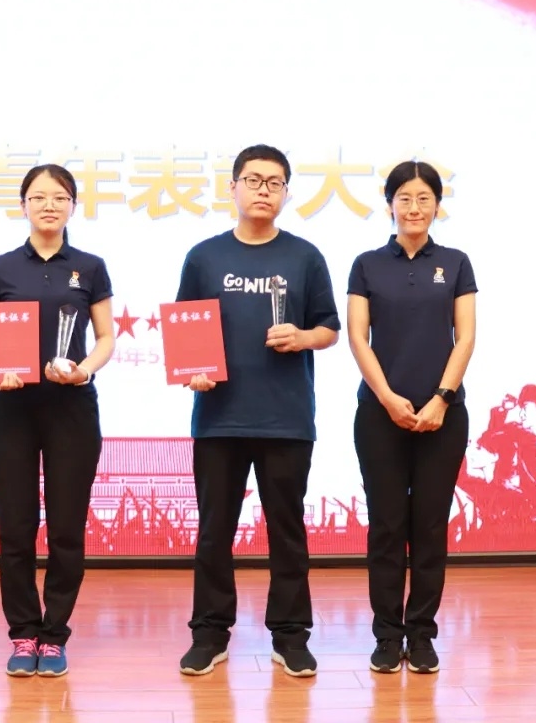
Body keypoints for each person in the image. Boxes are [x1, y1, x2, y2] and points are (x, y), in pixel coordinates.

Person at [174, 144, 341, 678]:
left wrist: (303, 336)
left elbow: (329, 328)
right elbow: (185, 330)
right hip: (219, 418)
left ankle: (290, 636)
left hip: (286, 419)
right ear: (233, 188)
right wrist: (192, 370)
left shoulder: (304, 256)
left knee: (286, 531)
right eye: (253, 180)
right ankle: (209, 633)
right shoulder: (204, 257)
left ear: (287, 192)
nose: (263, 190)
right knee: (214, 531)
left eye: (274, 182)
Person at [0, 164, 115, 678]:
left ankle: (54, 635)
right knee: (16, 528)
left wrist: (83, 370)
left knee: (66, 528)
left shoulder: (90, 266)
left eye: (59, 197)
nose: (49, 205)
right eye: (38, 197)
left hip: (71, 408)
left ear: (73, 206)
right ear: (23, 206)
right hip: (11, 410)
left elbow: (105, 337)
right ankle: (23, 632)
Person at [345, 160, 477, 675]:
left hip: (443, 417)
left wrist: (442, 399)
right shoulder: (367, 264)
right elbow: (358, 337)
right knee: (386, 526)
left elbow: (465, 337)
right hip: (380, 416)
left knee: (429, 526)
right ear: (389, 206)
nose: (414, 207)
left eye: (424, 198)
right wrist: (387, 398)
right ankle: (386, 634)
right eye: (404, 198)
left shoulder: (456, 263)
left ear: (437, 206)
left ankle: (421, 634)